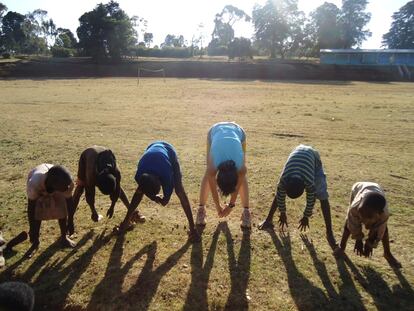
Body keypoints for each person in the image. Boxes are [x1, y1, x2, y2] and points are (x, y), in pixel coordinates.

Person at [116, 141, 200, 242]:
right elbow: (140, 191)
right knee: (139, 191)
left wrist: (159, 198)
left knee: (179, 190)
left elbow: (165, 202)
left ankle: (193, 229)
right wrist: (154, 197)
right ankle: (126, 222)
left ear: (160, 180)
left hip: (169, 151)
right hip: (151, 149)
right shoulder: (139, 175)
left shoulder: (166, 175)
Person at [258, 144, 336, 249]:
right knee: (279, 191)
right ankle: (268, 220)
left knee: (322, 196)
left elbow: (311, 198)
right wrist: (282, 213)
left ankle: (329, 233)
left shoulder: (309, 180)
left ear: (305, 187)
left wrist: (306, 216)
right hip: (297, 152)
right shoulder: (284, 178)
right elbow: (280, 193)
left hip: (313, 157)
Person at [70, 146, 145, 235]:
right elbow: (89, 194)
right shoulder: (91, 174)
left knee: (119, 188)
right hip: (88, 156)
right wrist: (93, 211)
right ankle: (69, 221)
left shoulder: (116, 172)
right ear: (97, 183)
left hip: (105, 156)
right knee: (80, 187)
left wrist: (112, 206)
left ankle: (134, 213)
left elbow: (117, 190)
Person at [196, 122, 250, 229]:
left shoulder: (241, 169)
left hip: (238, 132)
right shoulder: (213, 169)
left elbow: (238, 185)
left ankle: (246, 212)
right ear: (217, 179)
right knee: (208, 174)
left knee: (242, 178)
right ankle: (201, 209)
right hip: (215, 131)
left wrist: (231, 206)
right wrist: (218, 207)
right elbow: (212, 184)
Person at [334, 182, 401, 268]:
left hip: (376, 189)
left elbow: (380, 230)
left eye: (368, 217)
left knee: (383, 228)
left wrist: (370, 242)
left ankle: (387, 253)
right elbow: (352, 223)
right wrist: (358, 239)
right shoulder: (355, 207)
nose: (363, 220)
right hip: (358, 188)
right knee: (349, 220)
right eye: (361, 214)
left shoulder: (384, 214)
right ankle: (342, 246)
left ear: (379, 214)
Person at [26, 164, 76, 257]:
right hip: (41, 186)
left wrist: (71, 221)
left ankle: (64, 237)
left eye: (67, 186)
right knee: (38, 211)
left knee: (62, 207)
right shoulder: (34, 183)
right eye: (64, 186)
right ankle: (35, 242)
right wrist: (32, 228)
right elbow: (31, 208)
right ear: (54, 184)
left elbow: (69, 203)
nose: (67, 188)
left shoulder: (66, 183)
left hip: (54, 184)